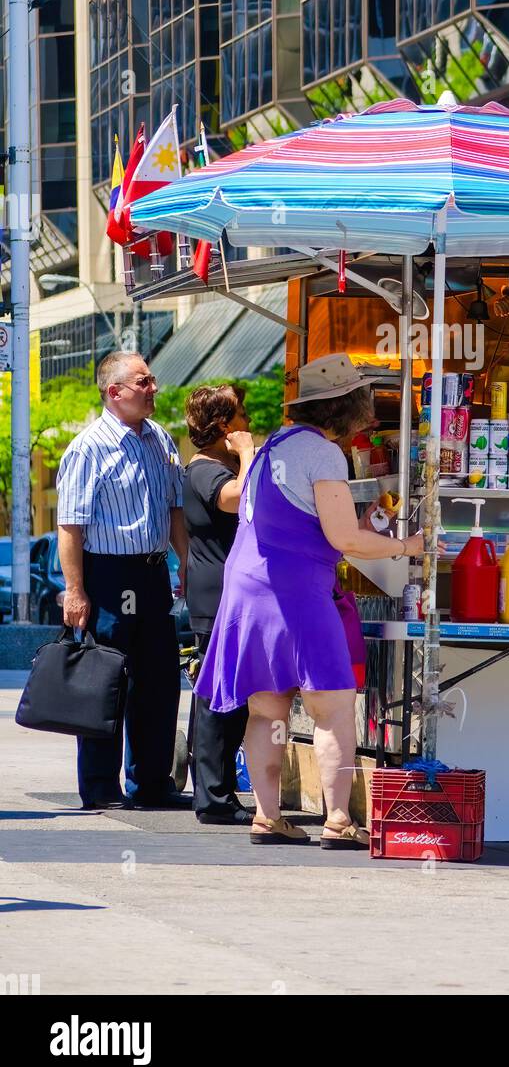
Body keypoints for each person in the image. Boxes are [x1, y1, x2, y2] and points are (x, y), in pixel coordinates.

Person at [194, 354, 425, 848]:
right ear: (347, 406)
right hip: (295, 589)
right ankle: (338, 820)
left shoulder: (274, 443)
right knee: (333, 706)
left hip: (248, 587)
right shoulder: (324, 454)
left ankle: (267, 815)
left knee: (266, 710)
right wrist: (407, 546)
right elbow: (346, 539)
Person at [56, 352, 189, 811]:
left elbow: (175, 510)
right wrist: (75, 590)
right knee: (106, 678)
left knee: (158, 677)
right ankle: (99, 786)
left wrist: (186, 566)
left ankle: (151, 781)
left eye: (153, 379)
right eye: (143, 381)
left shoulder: (160, 440)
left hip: (152, 572)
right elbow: (70, 526)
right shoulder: (88, 447)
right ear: (114, 392)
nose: (154, 387)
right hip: (109, 574)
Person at [183, 384, 256, 825]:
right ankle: (212, 797)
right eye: (241, 415)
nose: (248, 422)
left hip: (225, 593)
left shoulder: (215, 466)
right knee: (216, 698)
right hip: (217, 597)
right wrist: (246, 456)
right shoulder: (208, 470)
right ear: (225, 426)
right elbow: (236, 499)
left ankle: (219, 789)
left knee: (230, 697)